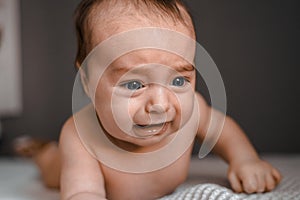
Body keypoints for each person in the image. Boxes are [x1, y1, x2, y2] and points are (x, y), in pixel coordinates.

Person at [14, 0, 282, 199]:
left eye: (179, 81)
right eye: (134, 84)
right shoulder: (81, 135)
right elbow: (83, 191)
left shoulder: (194, 112)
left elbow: (224, 131)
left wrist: (245, 159)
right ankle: (39, 150)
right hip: (63, 164)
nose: (160, 105)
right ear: (86, 80)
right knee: (52, 166)